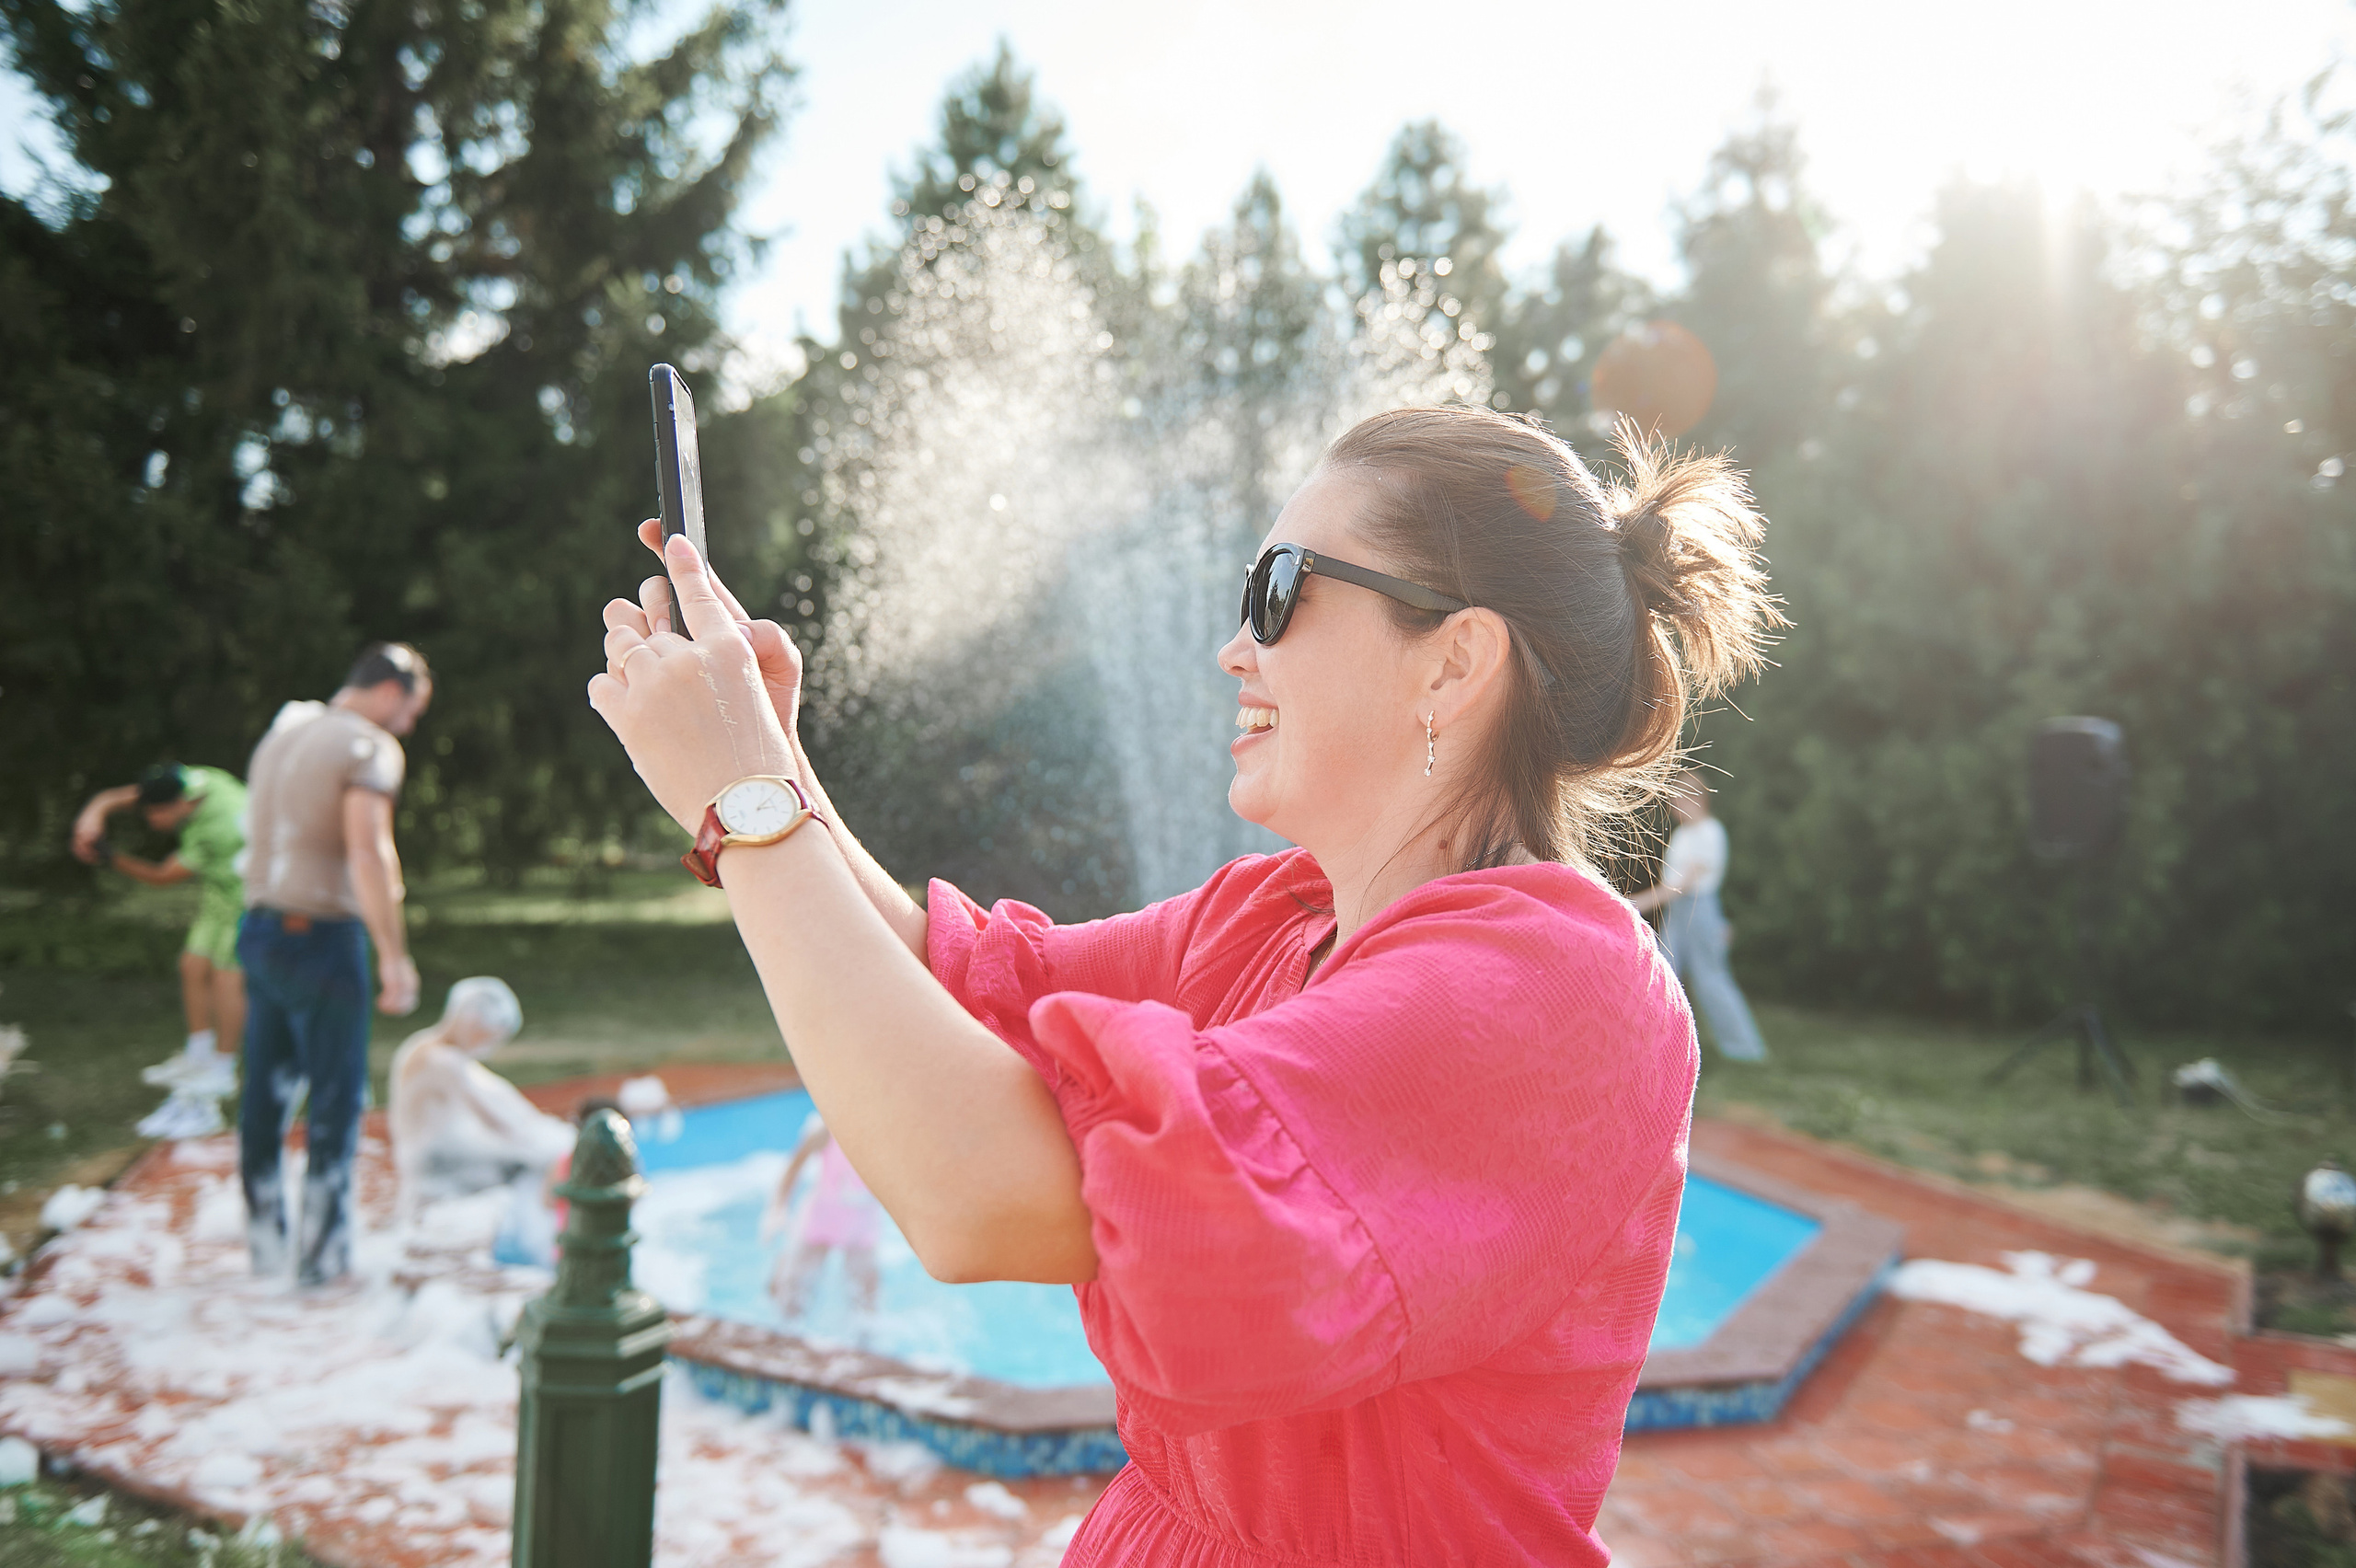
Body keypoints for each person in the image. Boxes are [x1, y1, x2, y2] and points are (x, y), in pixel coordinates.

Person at [587, 406, 1778, 1565]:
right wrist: (768, 758)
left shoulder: (1555, 989)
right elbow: (959, 994)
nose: (1233, 649)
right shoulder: (1273, 914)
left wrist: (746, 803)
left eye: (1280, 593)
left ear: (1455, 661)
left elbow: (979, 1199)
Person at [237, 641, 433, 1287]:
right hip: (319, 939)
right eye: (411, 711)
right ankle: (322, 1265)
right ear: (390, 690)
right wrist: (394, 957)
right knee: (334, 1101)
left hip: (260, 932)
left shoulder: (283, 735)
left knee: (263, 1098)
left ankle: (265, 1251)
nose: (407, 726)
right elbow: (369, 853)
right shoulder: (366, 748)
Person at [70, 763, 249, 1092]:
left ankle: (223, 1070)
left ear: (179, 805)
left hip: (247, 899)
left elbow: (160, 877)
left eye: (154, 814)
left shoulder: (221, 827)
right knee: (192, 966)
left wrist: (109, 857)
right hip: (218, 895)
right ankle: (198, 1056)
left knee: (226, 979)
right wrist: (94, 813)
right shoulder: (191, 780)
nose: (149, 821)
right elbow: (120, 797)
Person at [387, 976, 572, 1224]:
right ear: (471, 1023)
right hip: (431, 1161)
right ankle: (545, 1232)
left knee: (541, 1151)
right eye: (489, 1038)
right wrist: (541, 1144)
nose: (490, 1047)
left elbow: (498, 1093)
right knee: (535, 1163)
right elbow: (491, 1117)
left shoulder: (435, 1049)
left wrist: (541, 1125)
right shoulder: (441, 1060)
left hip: (433, 1154)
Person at [1630, 771, 1770, 1062]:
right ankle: (1656, 1046)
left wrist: (1634, 903)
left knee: (1711, 979)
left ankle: (1746, 1050)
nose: (1672, 808)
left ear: (1696, 799)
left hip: (1699, 909)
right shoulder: (1682, 834)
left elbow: (1682, 885)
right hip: (1678, 912)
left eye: (1677, 801)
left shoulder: (1710, 832)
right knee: (1663, 973)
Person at [762, 1113, 882, 1320]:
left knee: (866, 1306)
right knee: (792, 1297)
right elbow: (792, 1170)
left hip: (862, 1223)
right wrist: (777, 1210)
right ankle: (782, 1271)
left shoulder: (886, 1136)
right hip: (821, 1219)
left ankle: (865, 1345)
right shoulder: (826, 1129)